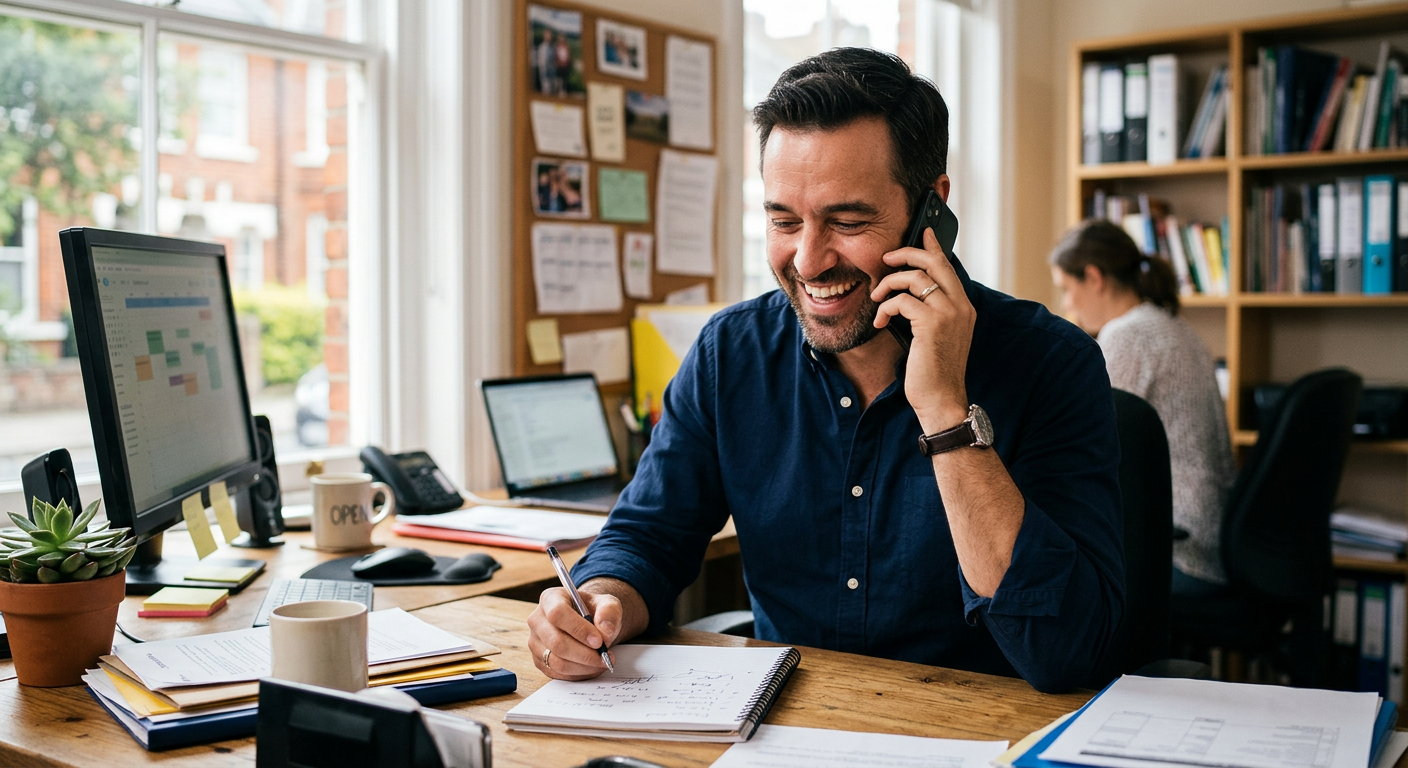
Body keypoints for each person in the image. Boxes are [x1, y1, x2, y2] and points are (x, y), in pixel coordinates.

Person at [528, 48, 1125, 694]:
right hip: (779, 726)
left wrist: (946, 413)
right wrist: (600, 601)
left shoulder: (1052, 363)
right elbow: (648, 536)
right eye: (784, 221)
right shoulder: (731, 355)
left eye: (847, 221)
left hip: (979, 731)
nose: (809, 261)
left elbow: (1065, 652)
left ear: (932, 209)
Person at [1049, 219, 1234, 597]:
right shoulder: (1173, 325)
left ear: (1094, 278)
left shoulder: (1127, 335)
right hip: (1215, 534)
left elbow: (1090, 442)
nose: (1067, 305)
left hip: (1181, 549)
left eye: (1067, 289)